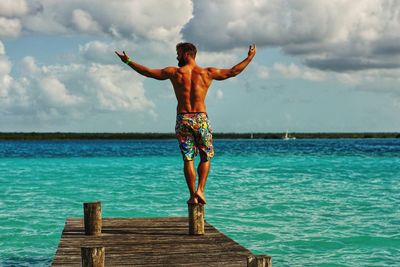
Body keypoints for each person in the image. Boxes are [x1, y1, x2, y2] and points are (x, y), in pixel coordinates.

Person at [115, 42, 256, 205]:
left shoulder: (174, 73)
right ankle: (200, 190)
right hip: (201, 119)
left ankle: (192, 196)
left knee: (188, 158)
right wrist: (249, 58)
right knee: (205, 156)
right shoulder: (207, 73)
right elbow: (233, 72)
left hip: (183, 119)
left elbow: (148, 73)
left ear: (187, 54)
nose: (176, 56)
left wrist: (128, 61)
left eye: (178, 53)